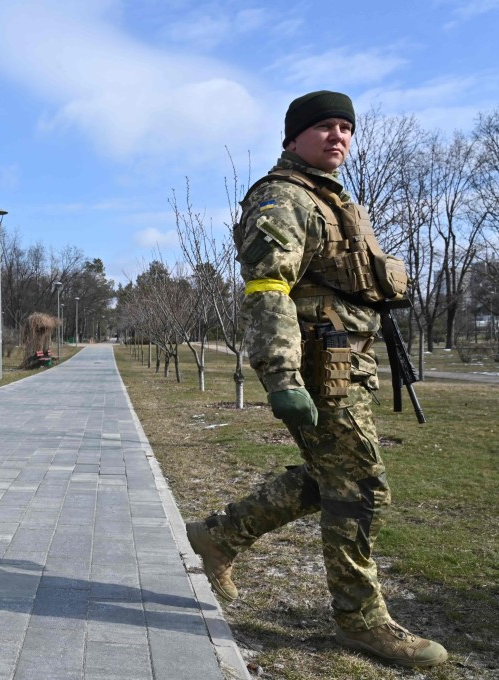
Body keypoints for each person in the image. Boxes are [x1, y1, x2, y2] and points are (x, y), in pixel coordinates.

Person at [185, 91, 448, 668]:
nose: (339, 137)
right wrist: (281, 376)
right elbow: (268, 289)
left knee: (330, 476)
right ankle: (361, 620)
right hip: (317, 369)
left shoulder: (333, 199)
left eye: (346, 128)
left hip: (348, 364)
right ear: (293, 137)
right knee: (360, 488)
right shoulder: (284, 198)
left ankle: (220, 536)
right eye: (325, 127)